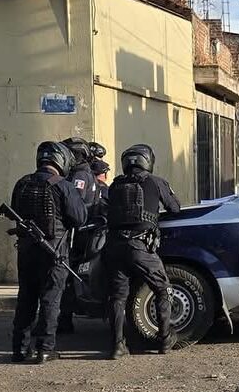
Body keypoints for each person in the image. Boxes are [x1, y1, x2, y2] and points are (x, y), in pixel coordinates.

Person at [9, 141, 87, 363]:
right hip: (55, 252)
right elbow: (80, 218)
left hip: (26, 251)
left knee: (26, 299)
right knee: (51, 299)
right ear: (61, 161)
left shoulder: (22, 184)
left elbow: (16, 213)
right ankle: (45, 348)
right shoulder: (63, 185)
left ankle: (19, 349)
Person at [103, 144, 182, 359]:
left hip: (114, 247)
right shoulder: (155, 182)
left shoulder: (115, 185)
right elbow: (175, 208)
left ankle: (117, 346)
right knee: (162, 288)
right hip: (141, 248)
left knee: (118, 297)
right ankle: (165, 339)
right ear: (148, 161)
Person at [58, 137, 98, 335]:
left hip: (78, 233)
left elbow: (74, 203)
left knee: (66, 276)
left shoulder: (79, 174)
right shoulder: (79, 172)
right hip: (82, 231)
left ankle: (65, 319)